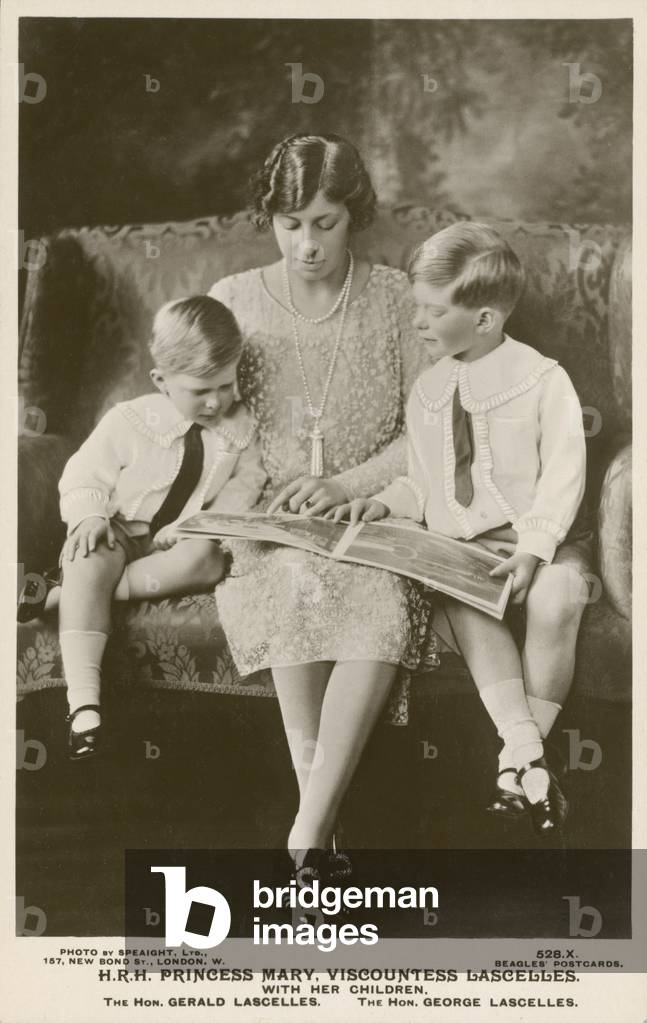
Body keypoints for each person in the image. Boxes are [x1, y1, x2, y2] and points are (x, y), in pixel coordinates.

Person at [208, 133, 437, 879]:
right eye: (289, 223)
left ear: (354, 216)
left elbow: (426, 429)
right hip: (271, 523)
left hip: (368, 515)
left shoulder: (397, 298)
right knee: (293, 585)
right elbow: (202, 424)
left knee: (376, 601)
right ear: (269, 219)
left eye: (324, 223)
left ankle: (306, 825)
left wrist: (344, 487)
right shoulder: (234, 301)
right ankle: (320, 831)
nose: (305, 244)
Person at [333, 222, 593, 835]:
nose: (418, 323)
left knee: (559, 598)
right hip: (463, 553)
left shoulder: (540, 378)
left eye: (433, 310)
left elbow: (565, 472)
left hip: (541, 542)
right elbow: (426, 486)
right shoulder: (428, 391)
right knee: (461, 598)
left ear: (484, 319)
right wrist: (386, 503)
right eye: (415, 309)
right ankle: (527, 757)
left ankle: (514, 761)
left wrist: (534, 550)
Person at [17, 295, 266, 760]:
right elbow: (84, 473)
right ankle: (83, 704)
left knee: (208, 560)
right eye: (199, 390)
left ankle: (59, 594)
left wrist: (199, 525)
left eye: (225, 385)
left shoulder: (240, 429)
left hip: (177, 543)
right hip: (120, 532)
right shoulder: (130, 420)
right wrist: (89, 516)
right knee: (89, 558)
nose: (215, 401)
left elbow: (246, 485)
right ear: (161, 382)